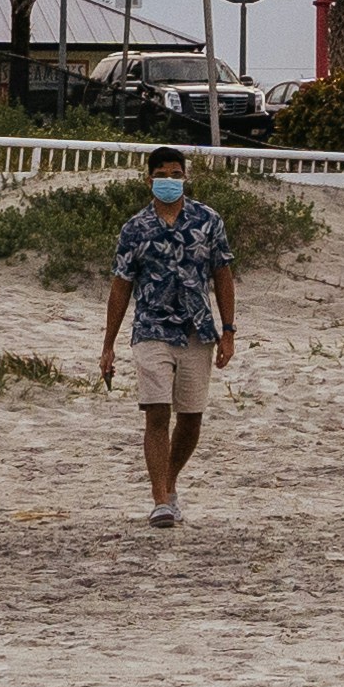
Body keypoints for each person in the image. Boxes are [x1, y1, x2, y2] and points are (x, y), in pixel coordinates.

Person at [96, 142, 248, 524]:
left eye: (175, 175)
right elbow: (121, 285)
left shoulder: (208, 220)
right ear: (149, 179)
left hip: (198, 329)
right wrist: (108, 345)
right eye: (161, 175)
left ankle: (171, 480)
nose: (169, 181)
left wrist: (228, 331)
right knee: (157, 412)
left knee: (191, 418)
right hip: (151, 328)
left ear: (186, 177)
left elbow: (223, 275)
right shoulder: (135, 228)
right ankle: (160, 498)